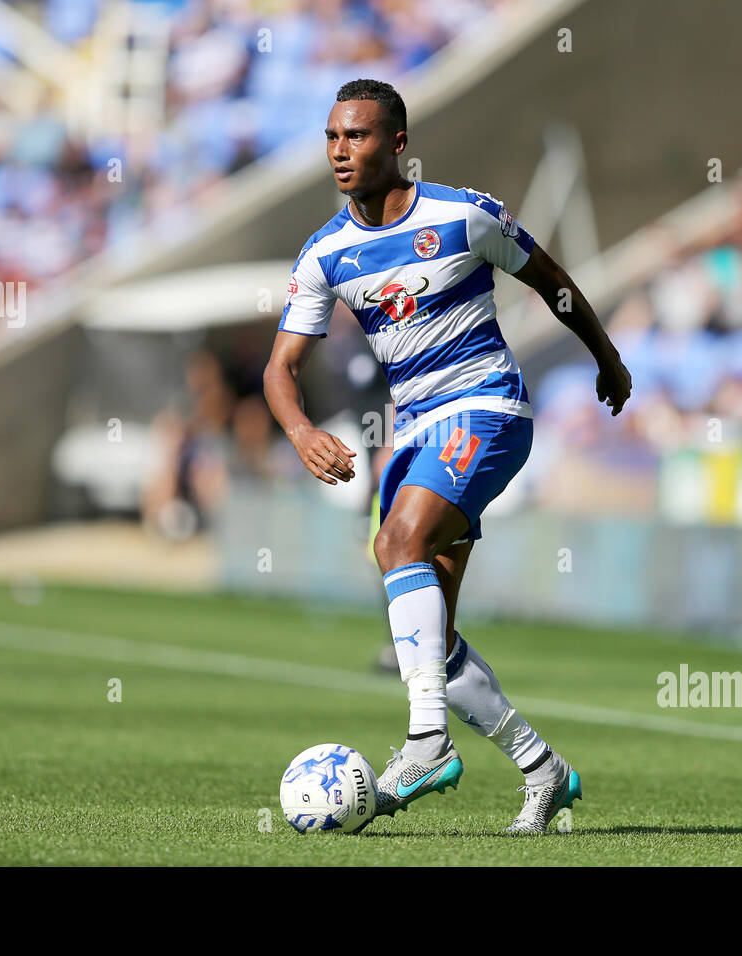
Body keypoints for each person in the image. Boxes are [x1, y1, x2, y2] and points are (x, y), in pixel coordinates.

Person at [263, 79, 631, 833]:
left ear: (398, 145)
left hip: (489, 407)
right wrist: (300, 431)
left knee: (395, 543)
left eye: (357, 137)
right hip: (415, 433)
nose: (340, 151)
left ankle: (425, 743)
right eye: (333, 137)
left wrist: (607, 357)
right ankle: (542, 768)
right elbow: (280, 368)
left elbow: (552, 282)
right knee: (429, 641)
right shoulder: (326, 251)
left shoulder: (463, 215)